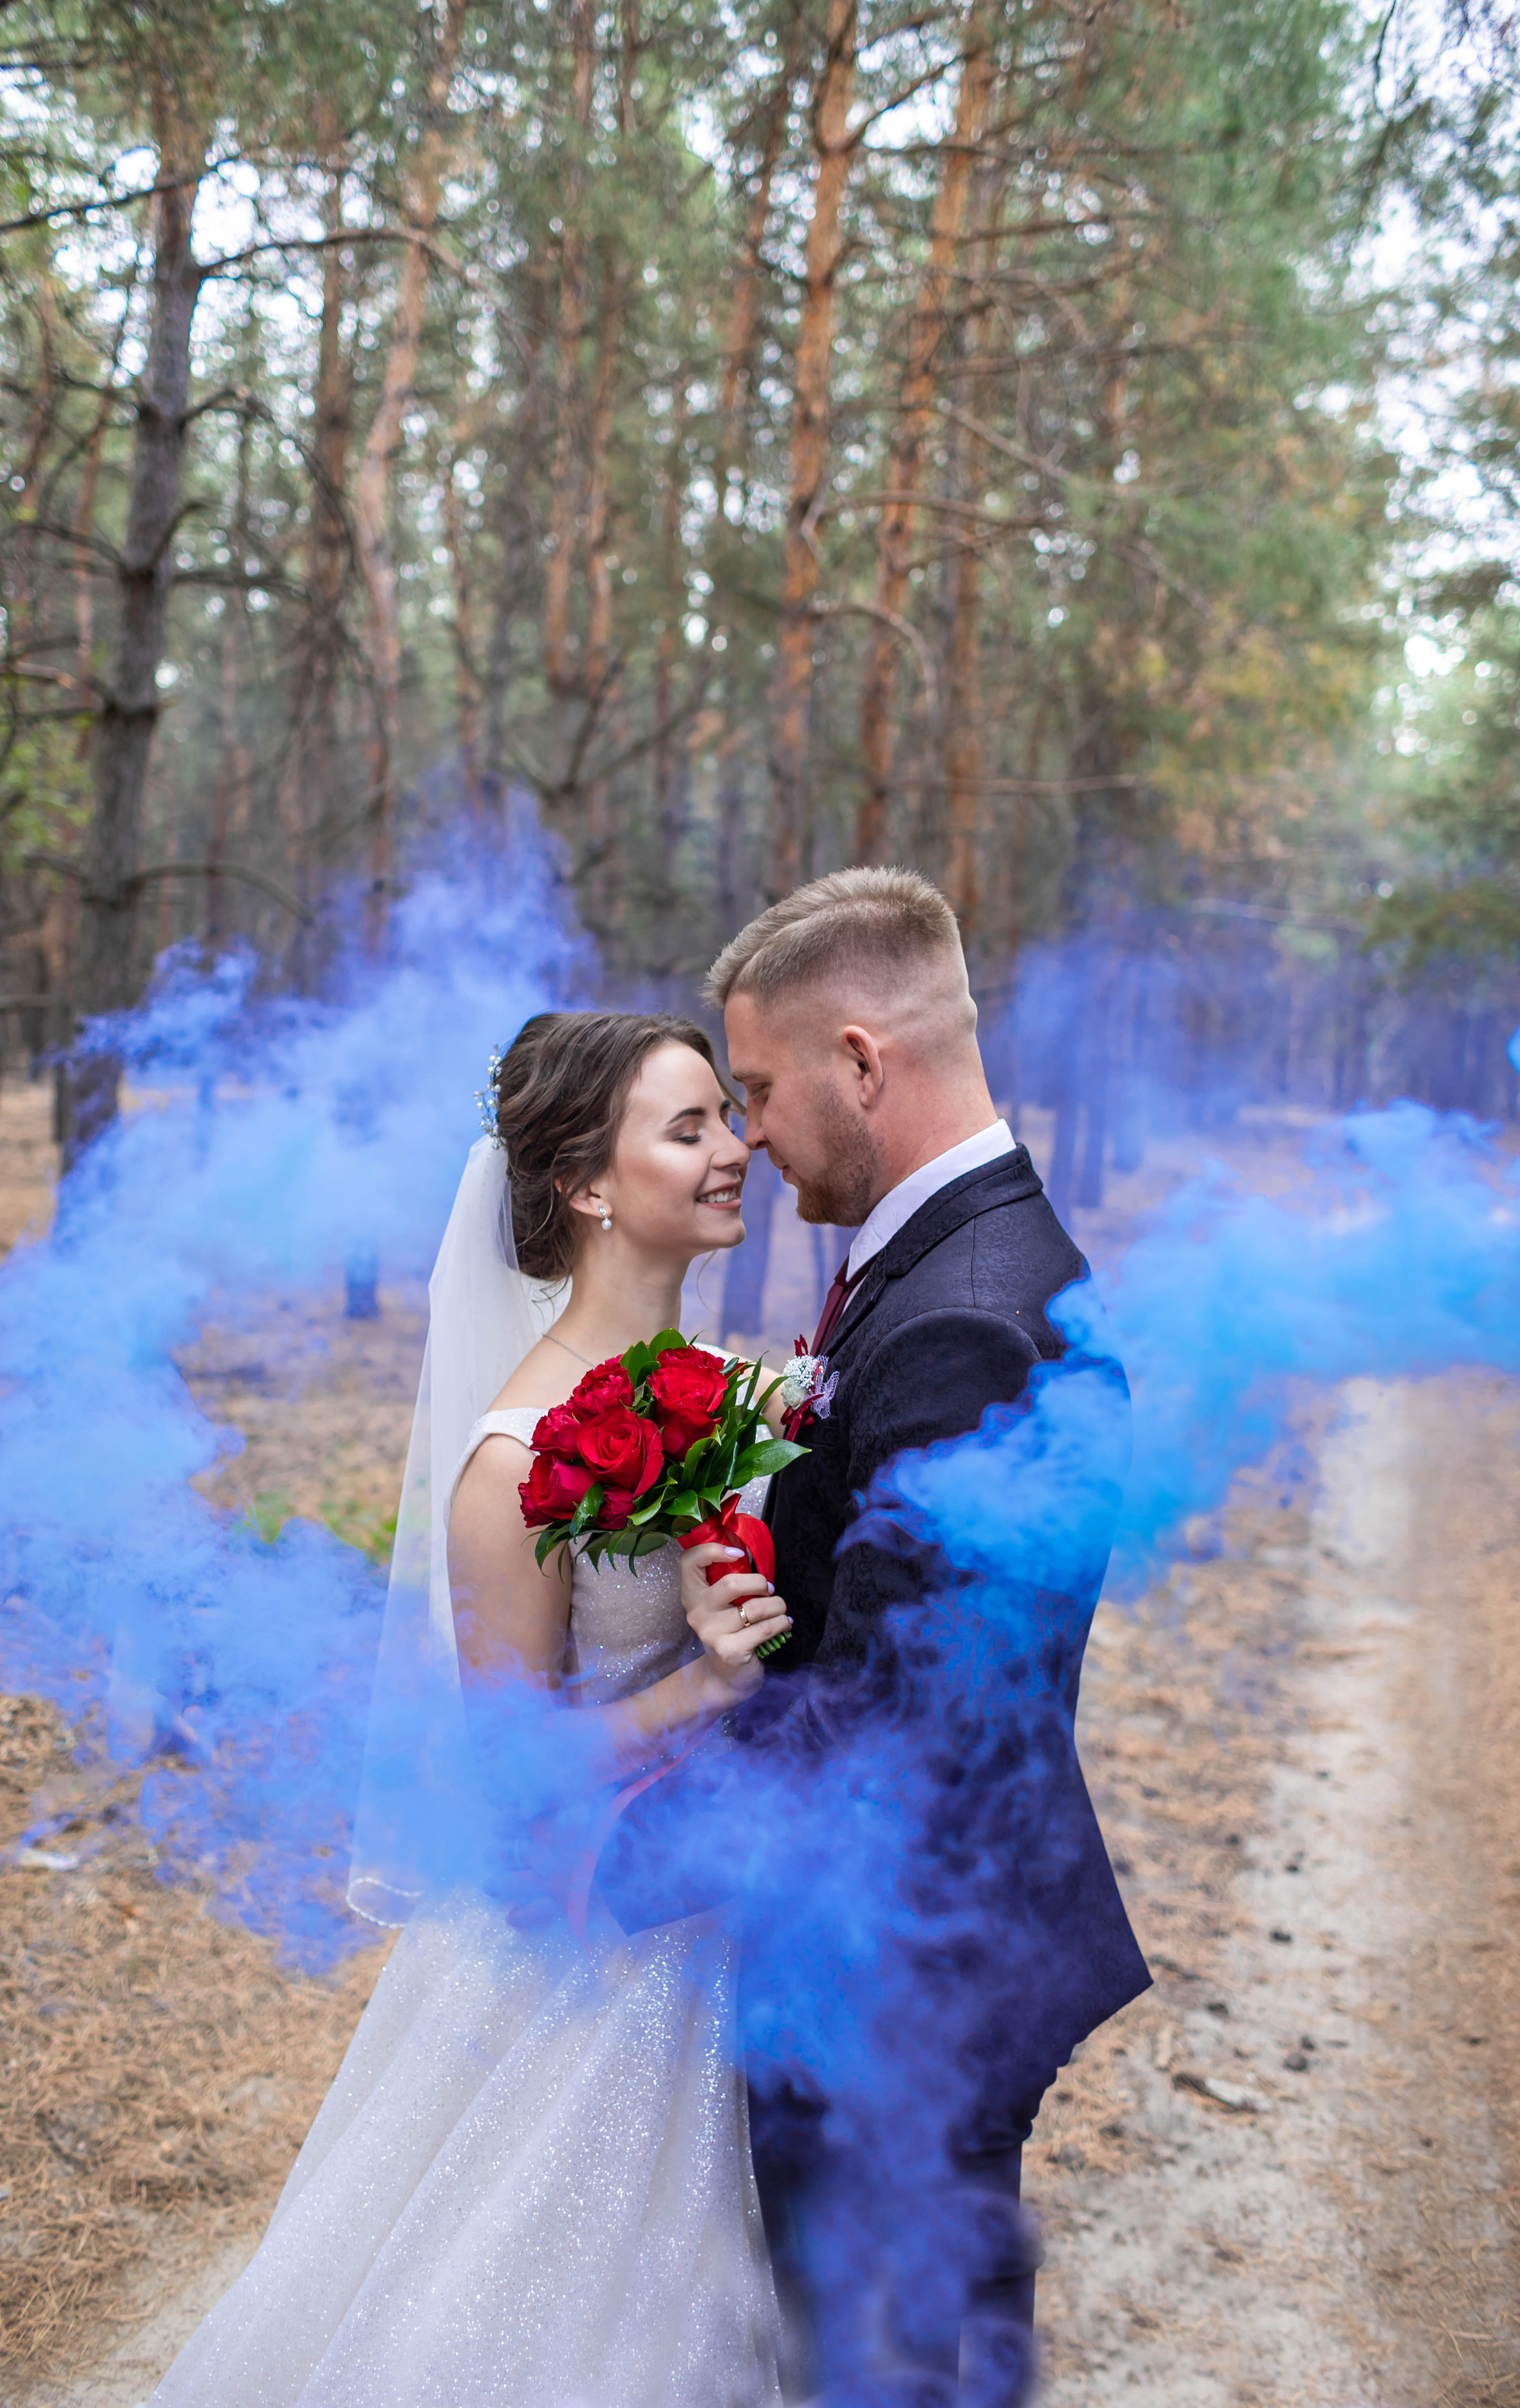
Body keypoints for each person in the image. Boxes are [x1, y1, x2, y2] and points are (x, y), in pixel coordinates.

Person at [145, 1011, 791, 2408]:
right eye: (688, 1128)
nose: (735, 1148)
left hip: (743, 1913)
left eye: (728, 1118)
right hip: (600, 1955)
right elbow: (510, 1774)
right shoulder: (512, 1464)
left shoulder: (737, 1395)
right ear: (586, 1184)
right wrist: (703, 1685)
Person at [596, 868, 1152, 2408]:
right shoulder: (948, 1260)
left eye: (760, 1090)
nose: (749, 1134)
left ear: (858, 1060)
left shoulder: (961, 1313)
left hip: (899, 1989)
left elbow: (894, 1716)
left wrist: (616, 1857)